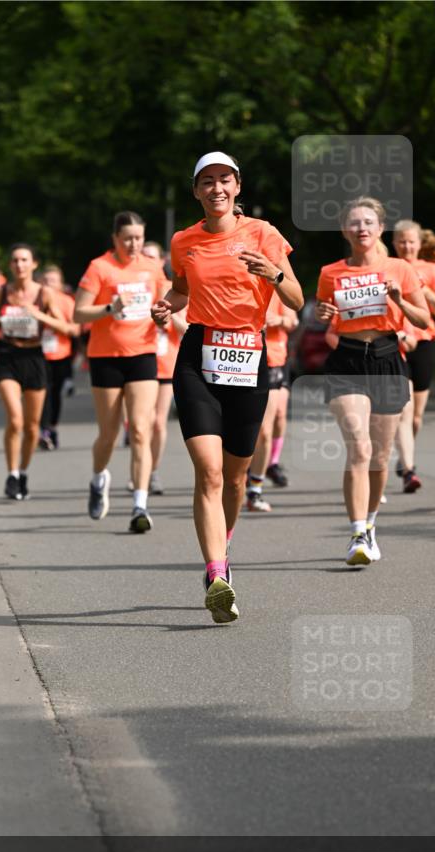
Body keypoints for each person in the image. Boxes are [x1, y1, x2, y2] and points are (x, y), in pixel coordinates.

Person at [152, 152, 303, 623]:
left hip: (248, 357)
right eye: (207, 182)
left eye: (225, 180)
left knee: (236, 478)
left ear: (237, 187)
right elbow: (181, 289)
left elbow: (297, 298)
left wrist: (273, 274)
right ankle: (217, 573)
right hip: (199, 355)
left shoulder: (264, 234)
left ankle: (224, 544)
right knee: (210, 472)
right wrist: (166, 306)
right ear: (196, 191)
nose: (216, 188)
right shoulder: (184, 241)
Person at [315, 197, 430, 566]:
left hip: (386, 358)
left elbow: (424, 319)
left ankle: (371, 523)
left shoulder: (400, 268)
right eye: (354, 223)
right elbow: (324, 314)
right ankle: (357, 532)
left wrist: (399, 300)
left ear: (380, 229)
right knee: (359, 448)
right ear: (344, 230)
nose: (361, 228)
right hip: (346, 359)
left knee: (380, 456)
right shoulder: (330, 272)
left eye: (368, 222)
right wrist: (323, 313)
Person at [74, 212, 166, 532]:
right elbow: (78, 313)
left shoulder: (152, 268)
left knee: (141, 428)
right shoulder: (100, 268)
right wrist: (110, 308)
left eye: (139, 238)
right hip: (106, 356)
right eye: (127, 238)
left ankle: (140, 505)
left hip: (143, 353)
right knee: (109, 435)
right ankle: (99, 478)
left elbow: (166, 303)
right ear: (115, 239)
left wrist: (163, 315)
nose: (134, 244)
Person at [0, 244, 70, 500]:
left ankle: (22, 472)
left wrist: (38, 316)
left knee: (32, 427)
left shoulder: (44, 294)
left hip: (34, 358)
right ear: (10, 265)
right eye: (15, 260)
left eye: (24, 260)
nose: (19, 264)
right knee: (16, 420)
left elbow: (66, 327)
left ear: (33, 265)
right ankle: (11, 474)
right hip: (7, 356)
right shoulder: (2, 292)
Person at [392, 220, 435, 490]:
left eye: (411, 241)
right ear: (394, 243)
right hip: (396, 344)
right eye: (402, 241)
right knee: (405, 410)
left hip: (424, 342)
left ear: (419, 243)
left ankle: (405, 458)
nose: (407, 246)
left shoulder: (432, 270)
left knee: (416, 417)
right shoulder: (388, 268)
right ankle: (409, 468)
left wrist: (423, 288)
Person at [141, 241, 188, 495]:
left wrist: (169, 316)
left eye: (153, 257)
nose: (148, 260)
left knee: (158, 423)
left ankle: (152, 471)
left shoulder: (175, 291)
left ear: (162, 260)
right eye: (143, 256)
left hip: (166, 361)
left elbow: (189, 328)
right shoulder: (136, 287)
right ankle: (140, 470)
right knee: (142, 423)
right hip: (140, 359)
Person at [246, 295, 298, 510]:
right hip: (241, 359)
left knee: (267, 428)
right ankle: (237, 474)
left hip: (273, 360)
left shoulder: (276, 287)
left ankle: (255, 489)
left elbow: (293, 320)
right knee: (241, 427)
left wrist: (278, 320)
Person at [38, 265, 81, 450]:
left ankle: (52, 427)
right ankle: (43, 430)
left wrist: (55, 323)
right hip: (37, 354)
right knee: (42, 393)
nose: (48, 284)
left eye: (53, 280)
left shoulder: (67, 301)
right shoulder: (34, 301)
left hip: (60, 354)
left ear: (60, 283)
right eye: (45, 280)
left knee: (54, 394)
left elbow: (75, 329)